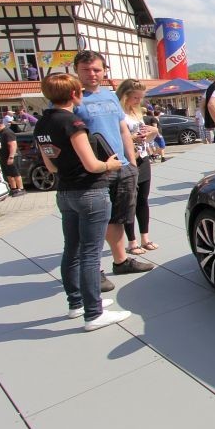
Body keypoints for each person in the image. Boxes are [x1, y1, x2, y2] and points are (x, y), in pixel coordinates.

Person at [33, 73, 130, 331]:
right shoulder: (73, 123)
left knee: (72, 250)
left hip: (65, 192)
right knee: (90, 253)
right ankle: (94, 313)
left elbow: (51, 166)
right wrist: (110, 164)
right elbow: (92, 164)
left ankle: (76, 303)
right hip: (90, 192)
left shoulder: (42, 124)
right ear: (75, 94)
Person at [72, 51, 152, 288]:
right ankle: (93, 270)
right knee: (94, 221)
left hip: (121, 166)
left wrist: (131, 162)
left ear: (104, 70)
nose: (92, 74)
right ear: (76, 71)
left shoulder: (109, 96)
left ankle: (121, 261)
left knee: (118, 217)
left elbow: (122, 129)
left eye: (96, 69)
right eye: (86, 70)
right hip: (93, 170)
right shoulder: (72, 98)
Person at [116, 79, 159, 256]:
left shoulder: (136, 111)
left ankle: (145, 238)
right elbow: (117, 138)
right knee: (129, 202)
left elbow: (146, 136)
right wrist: (132, 138)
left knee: (143, 200)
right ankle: (131, 241)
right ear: (125, 96)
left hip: (142, 157)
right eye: (135, 97)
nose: (138, 101)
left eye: (140, 98)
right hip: (127, 160)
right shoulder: (118, 113)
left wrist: (152, 132)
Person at [0, 118, 24, 196]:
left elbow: (13, 144)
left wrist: (11, 157)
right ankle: (13, 189)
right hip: (3, 156)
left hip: (11, 156)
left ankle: (21, 189)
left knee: (15, 173)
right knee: (8, 174)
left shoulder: (8, 132)